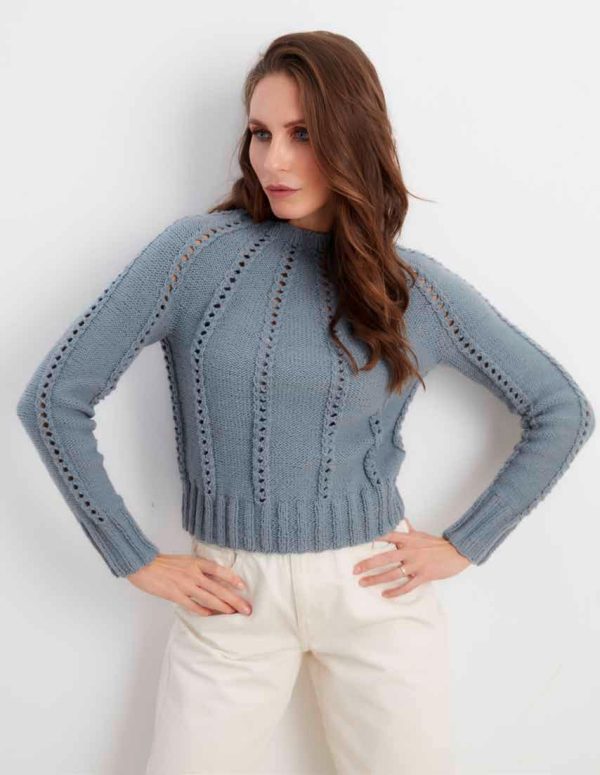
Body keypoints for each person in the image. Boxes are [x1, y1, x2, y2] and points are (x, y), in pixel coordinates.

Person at [16, 30, 594, 775]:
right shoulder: (194, 255)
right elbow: (55, 398)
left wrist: (464, 543)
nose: (274, 161)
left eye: (303, 134)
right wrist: (133, 557)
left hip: (373, 589)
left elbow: (561, 409)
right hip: (232, 595)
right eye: (260, 133)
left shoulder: (408, 287)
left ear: (353, 138)